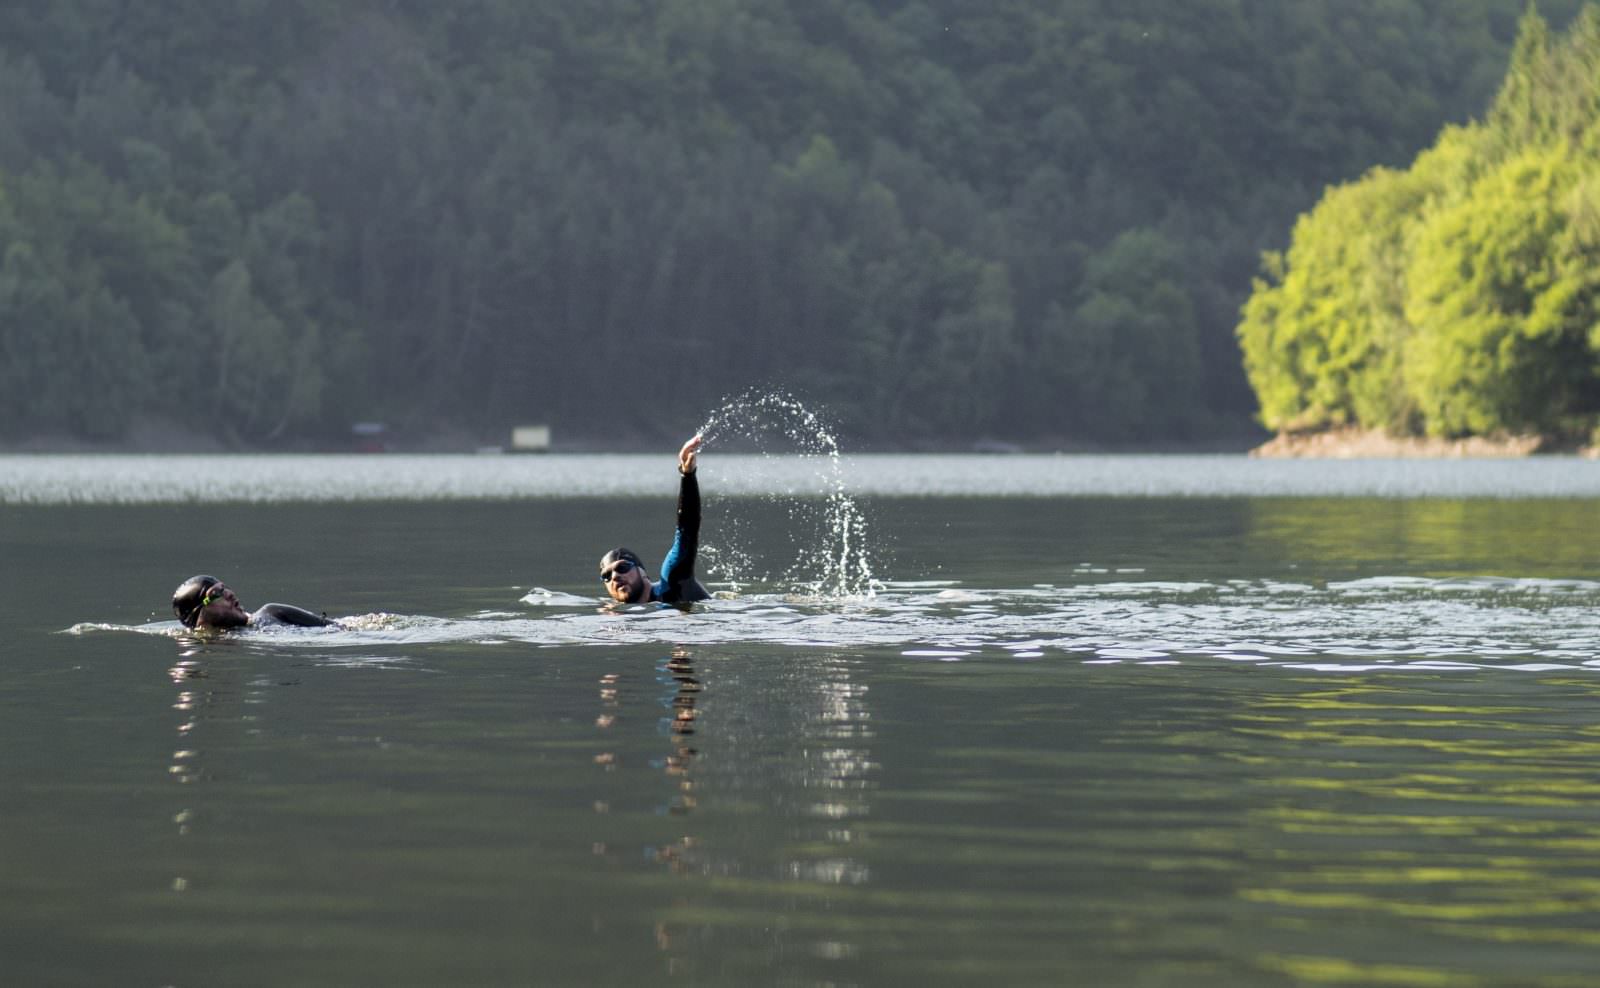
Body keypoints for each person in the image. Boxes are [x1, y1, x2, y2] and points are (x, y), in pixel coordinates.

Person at [598, 435, 711, 606]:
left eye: (622, 568)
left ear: (642, 572)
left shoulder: (672, 581)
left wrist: (687, 475)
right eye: (606, 576)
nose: (615, 576)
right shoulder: (618, 618)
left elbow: (687, 528)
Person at [171, 575, 334, 630]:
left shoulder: (273, 613)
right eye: (217, 593)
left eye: (225, 587)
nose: (229, 593)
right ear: (199, 616)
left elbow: (343, 629)